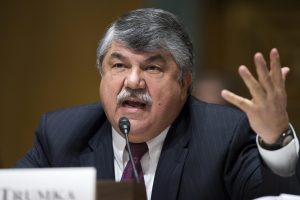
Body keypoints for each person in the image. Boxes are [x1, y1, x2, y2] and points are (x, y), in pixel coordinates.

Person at [16, 8, 300, 200]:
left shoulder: (222, 136)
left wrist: (276, 139)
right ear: (102, 74)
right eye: (118, 65)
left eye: (152, 68)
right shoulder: (60, 134)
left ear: (184, 82)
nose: (133, 81)